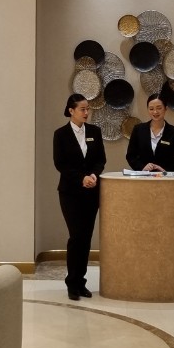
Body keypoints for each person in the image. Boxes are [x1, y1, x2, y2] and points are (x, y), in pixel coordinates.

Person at [52, 93, 106, 301]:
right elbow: (61, 164)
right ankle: (72, 283)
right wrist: (80, 178)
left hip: (91, 192)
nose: (86, 112)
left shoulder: (94, 132)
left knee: (85, 238)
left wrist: (93, 175)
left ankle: (81, 282)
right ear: (71, 111)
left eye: (87, 109)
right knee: (76, 237)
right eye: (82, 109)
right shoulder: (61, 134)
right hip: (70, 193)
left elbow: (100, 160)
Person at [126, 93, 174, 172]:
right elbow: (131, 156)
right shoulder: (138, 130)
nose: (155, 112)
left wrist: (166, 170)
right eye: (151, 109)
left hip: (167, 177)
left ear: (165, 108)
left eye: (159, 108)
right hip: (143, 176)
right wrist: (142, 167)